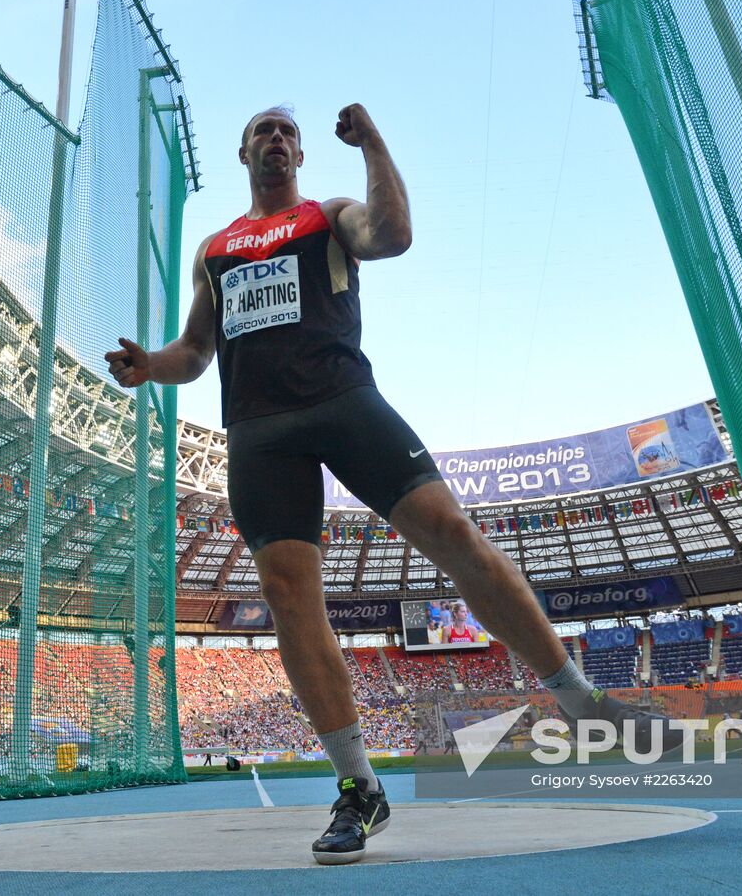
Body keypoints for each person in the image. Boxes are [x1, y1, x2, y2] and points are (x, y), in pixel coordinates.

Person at [106, 103, 681, 865]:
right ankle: (359, 788)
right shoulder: (215, 249)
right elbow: (197, 349)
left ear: (301, 154)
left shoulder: (328, 215)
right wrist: (152, 365)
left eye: (286, 132)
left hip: (345, 402)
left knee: (451, 530)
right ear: (243, 154)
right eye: (263, 131)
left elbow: (392, 235)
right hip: (259, 429)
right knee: (285, 591)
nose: (276, 139)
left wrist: (373, 143)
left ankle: (584, 705)